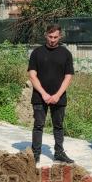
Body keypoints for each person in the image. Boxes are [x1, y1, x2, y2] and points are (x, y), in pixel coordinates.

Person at [28, 23, 75, 164]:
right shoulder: (36, 53)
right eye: (50, 36)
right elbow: (32, 75)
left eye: (55, 37)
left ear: (60, 36)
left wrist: (57, 95)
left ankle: (59, 152)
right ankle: (35, 154)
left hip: (59, 97)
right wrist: (43, 94)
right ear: (45, 35)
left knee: (58, 126)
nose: (52, 39)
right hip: (39, 96)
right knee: (38, 125)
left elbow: (68, 76)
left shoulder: (66, 53)